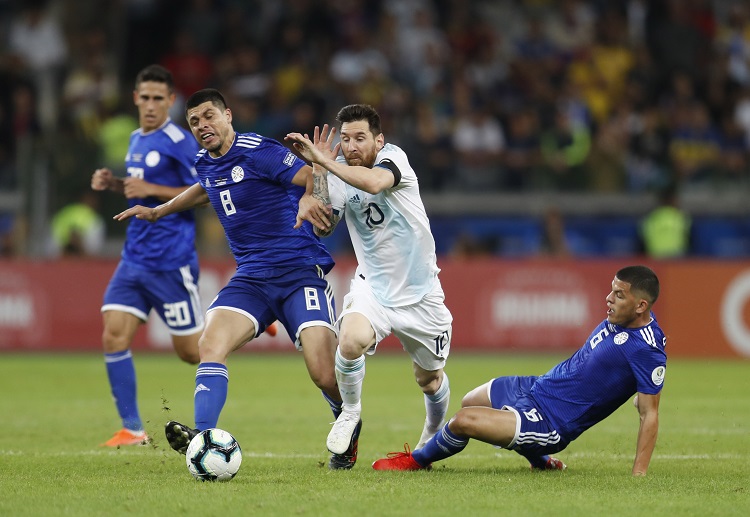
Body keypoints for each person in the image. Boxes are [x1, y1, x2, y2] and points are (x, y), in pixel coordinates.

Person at [113, 89, 352, 469]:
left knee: (323, 373)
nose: (202, 126)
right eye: (194, 121)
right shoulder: (205, 162)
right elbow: (204, 189)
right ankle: (202, 437)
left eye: (209, 116)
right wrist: (161, 211)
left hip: (298, 271)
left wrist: (311, 196)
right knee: (211, 344)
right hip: (253, 278)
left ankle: (347, 418)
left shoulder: (259, 149)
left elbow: (310, 174)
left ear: (227, 115)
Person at [371, 265, 666, 477]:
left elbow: (649, 412)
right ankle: (540, 460)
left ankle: (415, 462)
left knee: (463, 421)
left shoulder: (647, 349)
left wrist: (638, 475)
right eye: (611, 291)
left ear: (641, 305)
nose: (609, 299)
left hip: (551, 421)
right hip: (536, 388)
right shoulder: (618, 319)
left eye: (619, 295)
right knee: (470, 402)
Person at [285, 104, 453, 460]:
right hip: (373, 286)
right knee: (350, 341)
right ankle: (350, 411)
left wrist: (326, 163)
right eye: (344, 139)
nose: (351, 146)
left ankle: (434, 432)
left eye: (360, 138)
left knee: (430, 379)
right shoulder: (338, 171)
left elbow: (375, 183)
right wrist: (316, 176)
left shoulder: (394, 160)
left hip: (420, 294)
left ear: (378, 139)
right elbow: (325, 226)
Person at [91, 64, 203, 447]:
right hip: (134, 258)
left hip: (171, 261)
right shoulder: (137, 138)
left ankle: (246, 318)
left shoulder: (181, 141)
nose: (151, 105)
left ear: (171, 101)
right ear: (135, 98)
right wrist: (116, 184)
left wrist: (150, 188)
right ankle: (133, 429)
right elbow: (140, 190)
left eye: (160, 98)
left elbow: (204, 190)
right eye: (145, 97)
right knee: (112, 335)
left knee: (191, 353)